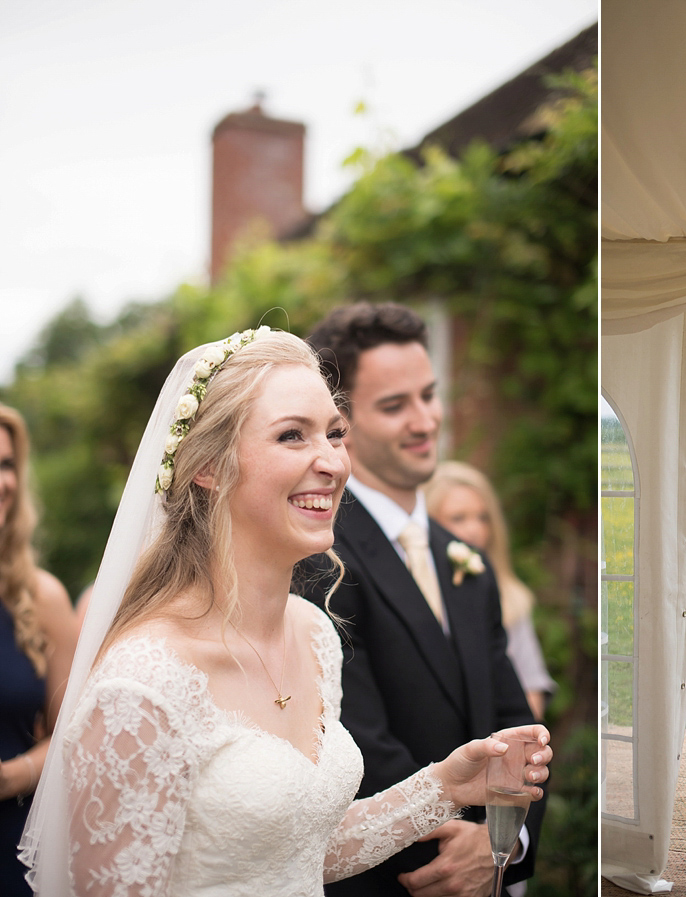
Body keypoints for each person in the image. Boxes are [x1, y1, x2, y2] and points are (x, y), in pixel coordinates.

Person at [17, 328, 550, 896]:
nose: (333, 462)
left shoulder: (314, 633)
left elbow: (298, 850)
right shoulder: (143, 686)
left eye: (335, 433)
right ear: (210, 467)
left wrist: (445, 785)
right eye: (292, 436)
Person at [302, 303, 543, 897]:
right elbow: (356, 743)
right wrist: (460, 844)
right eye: (394, 405)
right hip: (394, 880)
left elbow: (517, 726)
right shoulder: (317, 561)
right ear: (340, 422)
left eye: (428, 395)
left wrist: (505, 844)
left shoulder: (469, 561)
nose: (425, 419)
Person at [0, 405, 78, 895]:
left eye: (6, 465)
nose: (2, 481)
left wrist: (11, 777)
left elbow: (73, 736)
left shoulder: (41, 597)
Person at [426, 461, 555, 721]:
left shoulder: (513, 598)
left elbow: (531, 689)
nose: (474, 529)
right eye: (458, 518)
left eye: (483, 517)